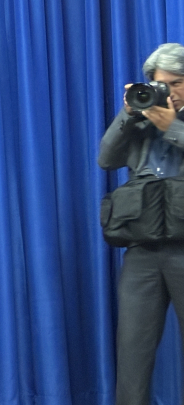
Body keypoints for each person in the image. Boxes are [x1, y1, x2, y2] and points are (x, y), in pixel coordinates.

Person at [99, 42, 184, 405]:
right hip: (143, 250)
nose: (170, 91)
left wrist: (172, 127)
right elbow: (106, 159)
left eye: (177, 83)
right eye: (163, 83)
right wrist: (128, 113)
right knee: (132, 353)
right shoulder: (140, 118)